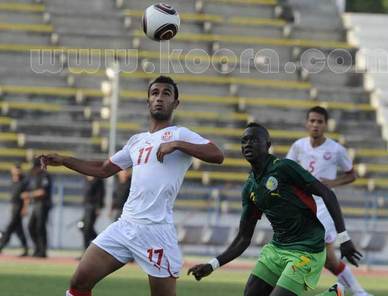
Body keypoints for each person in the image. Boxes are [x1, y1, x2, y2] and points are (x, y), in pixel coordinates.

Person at [40, 75, 224, 296]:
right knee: (78, 283)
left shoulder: (180, 134)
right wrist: (64, 160)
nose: (159, 98)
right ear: (148, 101)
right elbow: (104, 169)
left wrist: (176, 144)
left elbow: (217, 155)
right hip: (125, 225)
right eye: (155, 93)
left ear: (176, 103)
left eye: (166, 94)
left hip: (157, 231)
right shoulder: (136, 141)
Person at [188, 122, 361, 296]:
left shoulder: (284, 168)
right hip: (277, 249)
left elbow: (327, 193)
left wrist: (343, 238)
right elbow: (243, 238)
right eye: (244, 140)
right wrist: (212, 264)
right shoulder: (250, 188)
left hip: (307, 250)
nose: (248, 144)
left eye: (254, 140)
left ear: (267, 145)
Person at [286, 106, 371, 296]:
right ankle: (358, 292)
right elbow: (287, 170)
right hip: (302, 206)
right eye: (312, 121)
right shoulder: (298, 146)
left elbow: (351, 175)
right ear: (306, 123)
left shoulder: (335, 149)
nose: (315, 125)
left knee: (308, 249)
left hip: (324, 206)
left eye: (319, 121)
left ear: (325, 125)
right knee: (330, 261)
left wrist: (332, 182)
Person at [22, 157, 52, 258]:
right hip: (35, 204)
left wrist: (29, 195)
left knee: (40, 227)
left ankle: (42, 251)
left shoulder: (44, 176)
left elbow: (42, 192)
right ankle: (37, 248)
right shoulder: (33, 177)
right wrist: (25, 206)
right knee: (31, 227)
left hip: (43, 204)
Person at [0, 164, 29, 256]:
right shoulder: (13, 181)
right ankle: (25, 249)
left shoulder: (23, 182)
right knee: (19, 230)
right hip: (13, 207)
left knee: (9, 228)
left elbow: (26, 197)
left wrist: (24, 208)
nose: (15, 171)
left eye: (17, 170)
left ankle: (1, 246)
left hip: (19, 207)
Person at [81, 176, 105, 251]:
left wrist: (98, 207)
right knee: (83, 227)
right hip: (86, 206)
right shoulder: (85, 178)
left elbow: (101, 194)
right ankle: (99, 243)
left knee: (87, 228)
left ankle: (95, 246)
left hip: (93, 207)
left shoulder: (98, 179)